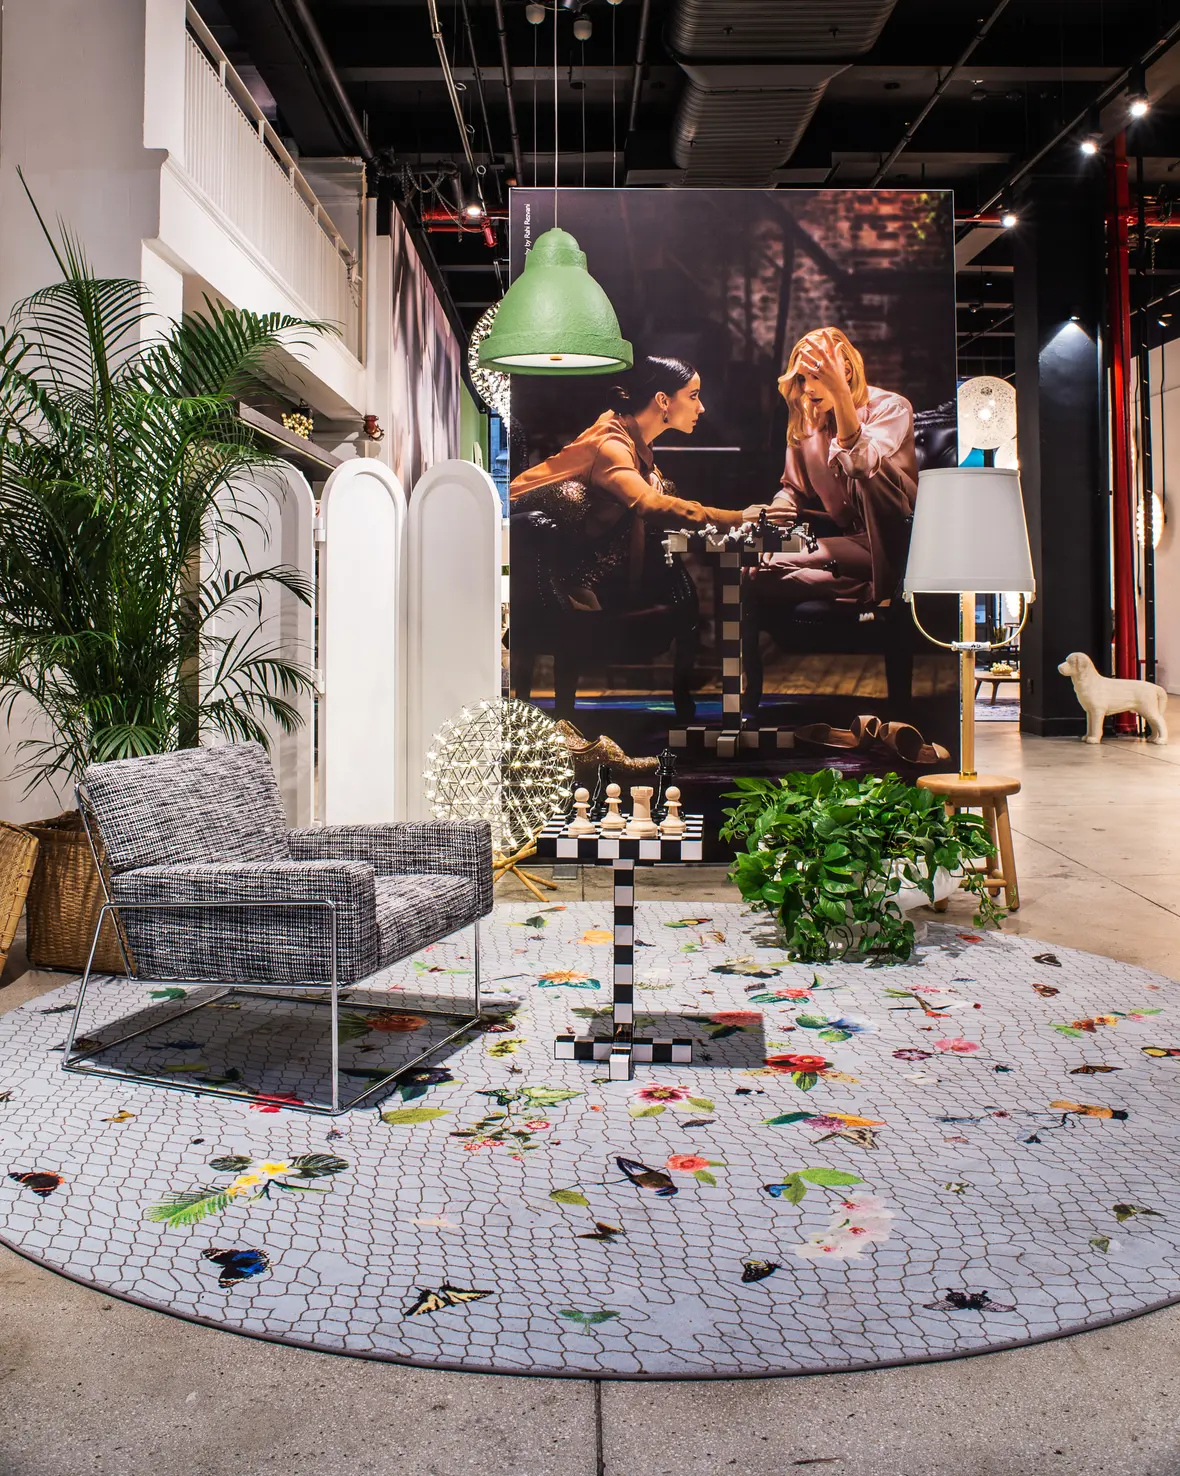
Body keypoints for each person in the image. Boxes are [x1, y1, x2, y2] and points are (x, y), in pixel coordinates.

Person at [510, 356, 768, 611]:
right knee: (575, 496)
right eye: (693, 396)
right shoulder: (611, 445)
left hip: (557, 550)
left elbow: (659, 500)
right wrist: (738, 517)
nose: (701, 408)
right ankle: (567, 590)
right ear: (663, 400)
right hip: (512, 533)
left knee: (659, 486)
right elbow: (650, 505)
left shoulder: (631, 437)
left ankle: (585, 587)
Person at [755, 327, 918, 607]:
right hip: (855, 542)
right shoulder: (809, 419)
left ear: (846, 372)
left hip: (903, 541)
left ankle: (888, 595)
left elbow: (861, 465)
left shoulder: (892, 407)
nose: (808, 388)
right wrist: (775, 512)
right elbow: (793, 489)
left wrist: (841, 395)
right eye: (803, 378)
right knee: (756, 570)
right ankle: (870, 592)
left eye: (818, 376)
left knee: (866, 467)